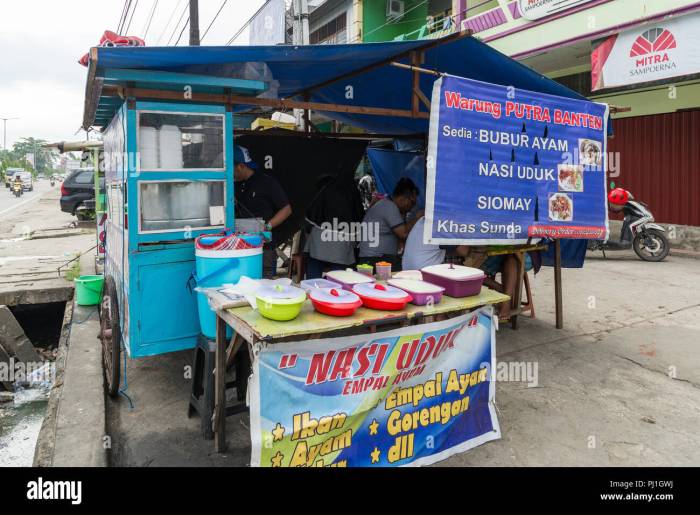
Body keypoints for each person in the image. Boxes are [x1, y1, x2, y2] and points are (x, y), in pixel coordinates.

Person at [233, 145, 292, 278]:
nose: (229, 173)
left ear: (240, 166)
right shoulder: (232, 185)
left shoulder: (267, 182)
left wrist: (267, 226)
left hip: (264, 247)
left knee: (265, 286)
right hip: (238, 246)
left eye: (230, 168)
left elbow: (286, 209)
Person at [304, 173, 365, 279]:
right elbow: (359, 217)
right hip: (341, 242)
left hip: (318, 240)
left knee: (314, 275)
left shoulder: (323, 192)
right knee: (337, 279)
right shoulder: (350, 192)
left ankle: (311, 291)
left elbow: (310, 217)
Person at [357, 177, 421, 271]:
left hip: (373, 258)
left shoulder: (386, 204)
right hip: (375, 259)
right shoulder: (389, 207)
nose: (412, 208)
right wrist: (418, 217)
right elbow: (403, 234)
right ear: (404, 198)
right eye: (412, 203)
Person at [401, 216, 469, 270]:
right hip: (423, 273)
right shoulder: (440, 225)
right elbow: (463, 251)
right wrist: (466, 228)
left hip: (407, 269)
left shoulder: (422, 220)